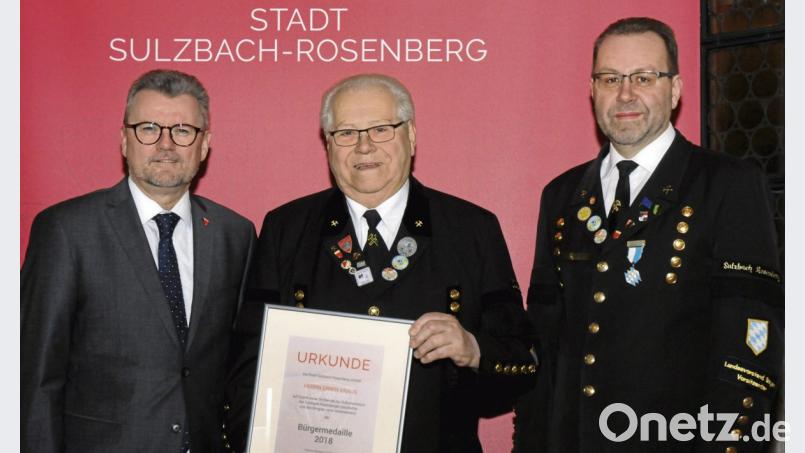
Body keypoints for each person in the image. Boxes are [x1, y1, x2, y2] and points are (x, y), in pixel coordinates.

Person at [224, 73, 537, 453]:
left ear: (412, 136)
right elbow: (248, 369)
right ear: (327, 145)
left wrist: (473, 349)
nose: (364, 146)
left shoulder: (472, 228)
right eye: (346, 133)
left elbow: (523, 361)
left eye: (381, 129)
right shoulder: (285, 229)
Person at [513, 17, 783, 452]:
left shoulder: (728, 184)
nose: (625, 94)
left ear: (674, 89)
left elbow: (748, 350)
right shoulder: (561, 195)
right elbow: (544, 349)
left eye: (644, 77)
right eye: (610, 78)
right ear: (592, 89)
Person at [21, 69, 256, 453]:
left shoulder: (235, 234)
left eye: (183, 130)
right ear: (124, 140)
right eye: (148, 128)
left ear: (204, 144)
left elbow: (238, 366)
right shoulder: (66, 230)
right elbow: (35, 379)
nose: (165, 144)